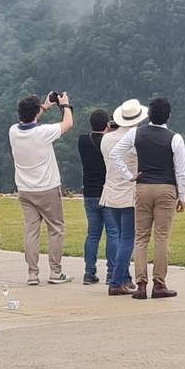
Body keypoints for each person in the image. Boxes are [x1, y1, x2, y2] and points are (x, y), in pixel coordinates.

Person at [110, 97, 185, 299]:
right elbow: (181, 171)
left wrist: (129, 176)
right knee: (161, 237)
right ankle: (159, 284)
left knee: (141, 238)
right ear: (168, 116)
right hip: (166, 188)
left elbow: (115, 153)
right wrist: (182, 197)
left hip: (143, 187)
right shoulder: (175, 138)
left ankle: (141, 284)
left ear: (149, 115)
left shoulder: (136, 133)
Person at [8, 92, 74, 286]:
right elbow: (68, 124)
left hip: (25, 188)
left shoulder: (13, 131)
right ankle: (55, 271)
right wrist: (65, 105)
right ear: (36, 112)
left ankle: (32, 274)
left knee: (31, 231)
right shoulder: (43, 132)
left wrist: (43, 107)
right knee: (56, 229)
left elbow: (29, 120)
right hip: (47, 187)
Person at [99, 99, 147, 295]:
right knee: (128, 238)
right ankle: (117, 281)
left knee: (120, 236)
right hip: (129, 192)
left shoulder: (106, 139)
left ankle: (124, 278)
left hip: (111, 192)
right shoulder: (135, 140)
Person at [77, 109, 112, 285]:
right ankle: (112, 273)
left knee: (93, 234)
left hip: (89, 193)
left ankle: (89, 272)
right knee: (113, 234)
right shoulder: (109, 142)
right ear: (107, 124)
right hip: (107, 192)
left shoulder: (83, 141)